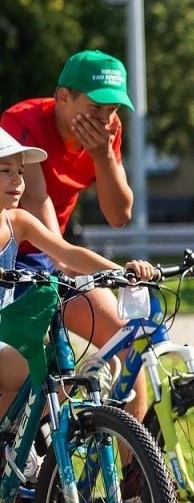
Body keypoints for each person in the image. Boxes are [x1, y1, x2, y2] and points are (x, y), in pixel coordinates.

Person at [1, 50, 147, 418]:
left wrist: (104, 158)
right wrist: (62, 261)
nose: (105, 119)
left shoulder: (105, 136)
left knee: (127, 346)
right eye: (96, 108)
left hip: (53, 254)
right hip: (21, 253)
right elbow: (36, 197)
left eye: (113, 110)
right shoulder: (23, 121)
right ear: (63, 97)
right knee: (41, 374)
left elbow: (120, 214)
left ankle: (139, 472)